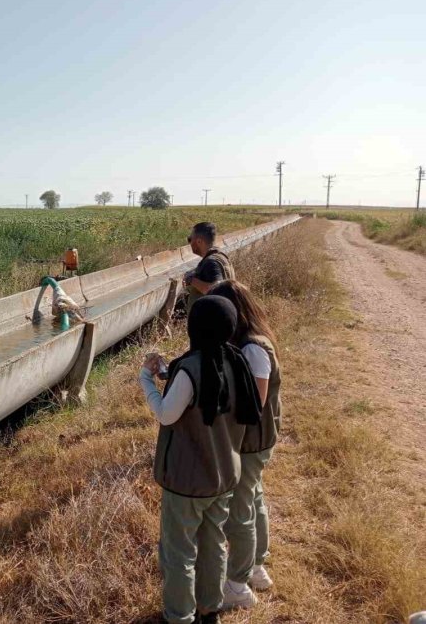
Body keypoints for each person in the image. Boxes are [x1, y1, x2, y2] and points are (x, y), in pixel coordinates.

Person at [139, 295, 261, 624]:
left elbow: (166, 414)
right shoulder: (237, 361)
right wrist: (171, 372)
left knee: (179, 553)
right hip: (223, 478)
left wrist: (146, 380)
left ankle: (179, 616)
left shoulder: (191, 368)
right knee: (213, 546)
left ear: (194, 328)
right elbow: (209, 391)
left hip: (186, 482)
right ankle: (210, 610)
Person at [209, 280, 281, 605]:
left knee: (240, 510)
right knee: (254, 498)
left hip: (252, 441)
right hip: (258, 439)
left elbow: (254, 405)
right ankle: (256, 567)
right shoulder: (250, 341)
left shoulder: (253, 348)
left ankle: (237, 585)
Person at [183, 222, 236, 314]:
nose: (189, 243)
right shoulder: (221, 256)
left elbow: (216, 289)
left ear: (199, 241)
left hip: (210, 321)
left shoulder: (211, 262)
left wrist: (191, 280)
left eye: (190, 239)